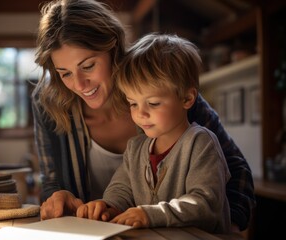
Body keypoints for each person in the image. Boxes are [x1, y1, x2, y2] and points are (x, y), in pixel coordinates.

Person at [32, 0, 255, 232]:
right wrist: (71, 200)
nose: (78, 84)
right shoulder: (49, 104)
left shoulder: (165, 86)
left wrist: (230, 228)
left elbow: (235, 170)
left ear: (112, 47)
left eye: (88, 66)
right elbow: (62, 182)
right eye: (65, 73)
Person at [76, 33, 231, 233]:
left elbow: (204, 204)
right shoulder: (135, 148)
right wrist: (106, 207)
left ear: (187, 98)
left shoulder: (201, 143)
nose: (140, 113)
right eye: (133, 103)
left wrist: (149, 215)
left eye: (153, 103)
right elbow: (121, 190)